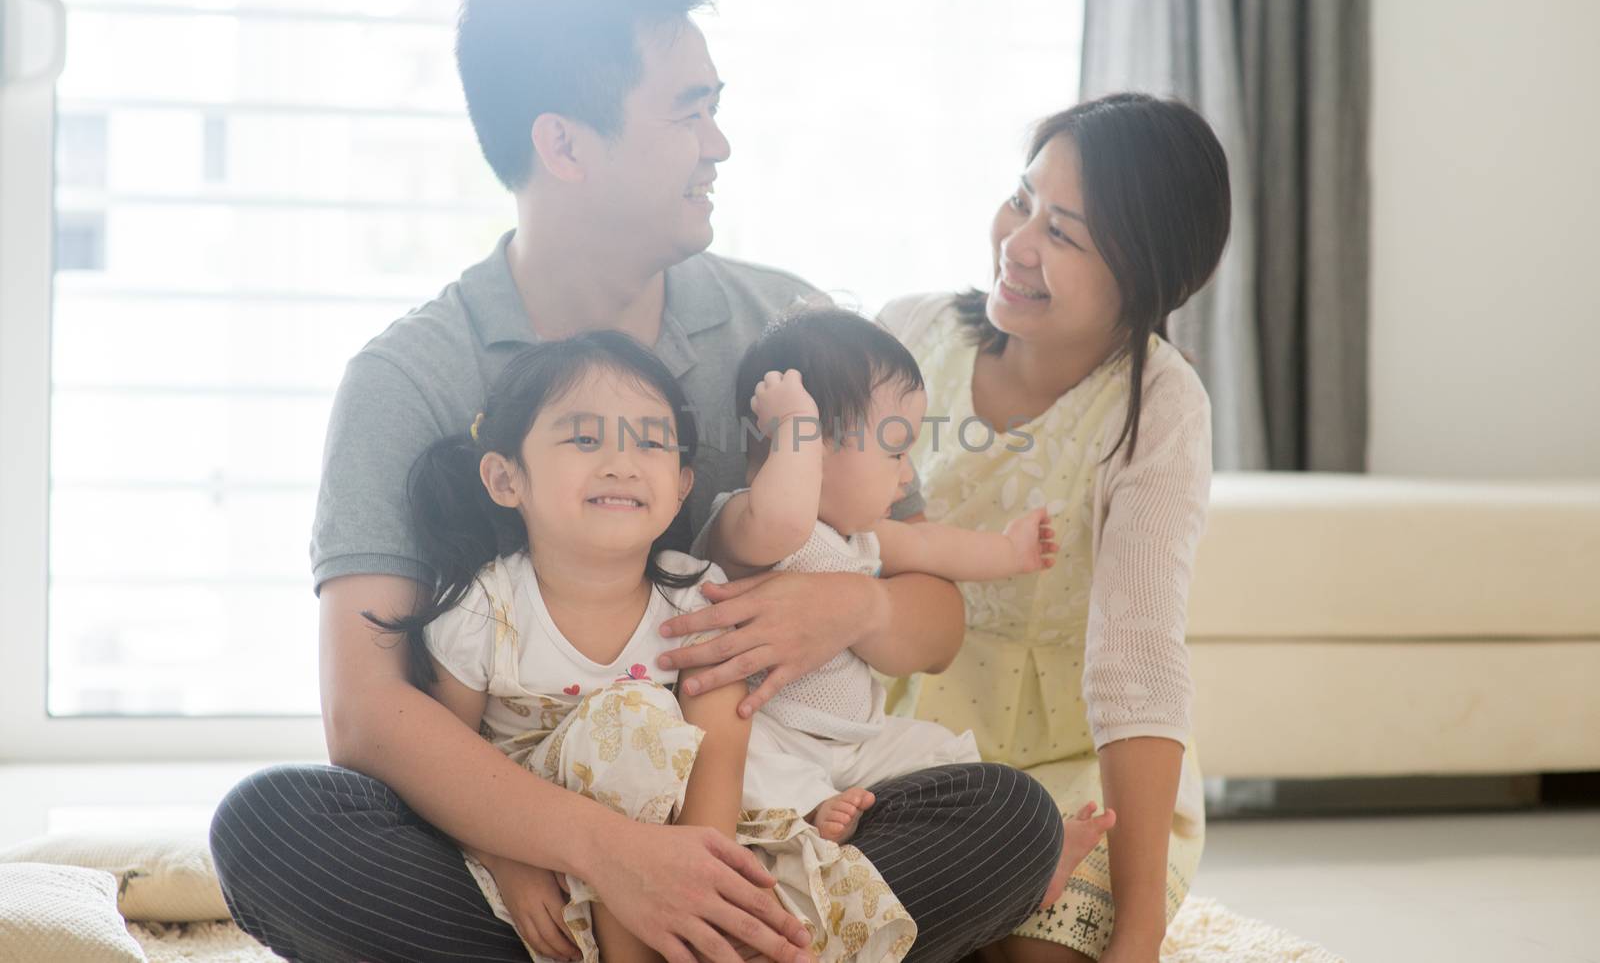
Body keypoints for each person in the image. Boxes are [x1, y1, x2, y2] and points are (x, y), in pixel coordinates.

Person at [209, 0, 1062, 963]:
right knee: (273, 829)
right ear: (565, 146)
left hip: (755, 817)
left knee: (1007, 819)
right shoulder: (411, 376)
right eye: (688, 109)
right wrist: (614, 857)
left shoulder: (786, 324)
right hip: (518, 848)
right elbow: (368, 714)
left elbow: (931, 616)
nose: (719, 145)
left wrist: (855, 603)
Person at [365, 331, 914, 963]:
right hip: (536, 856)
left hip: (684, 847)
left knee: (815, 902)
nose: (622, 462)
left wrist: (701, 887)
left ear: (683, 484)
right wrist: (506, 859)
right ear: (505, 477)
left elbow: (720, 757)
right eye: (585, 438)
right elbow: (449, 762)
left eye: (650, 442)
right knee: (627, 721)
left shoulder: (698, 601)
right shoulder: (482, 610)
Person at [861, 93, 1230, 963]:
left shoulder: (1158, 407)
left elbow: (1137, 658)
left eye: (1063, 234)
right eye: (1021, 201)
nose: (1016, 245)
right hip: (890, 743)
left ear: (1144, 275)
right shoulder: (907, 334)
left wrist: (1137, 936)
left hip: (1076, 771)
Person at [690, 306, 1115, 899]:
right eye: (895, 451)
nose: (907, 473)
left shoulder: (861, 535)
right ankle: (810, 823)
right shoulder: (746, 521)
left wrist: (1009, 552)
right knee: (747, 771)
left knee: (956, 763)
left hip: (858, 740)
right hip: (771, 734)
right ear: (814, 443)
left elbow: (931, 545)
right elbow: (785, 518)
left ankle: (1034, 861)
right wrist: (794, 426)